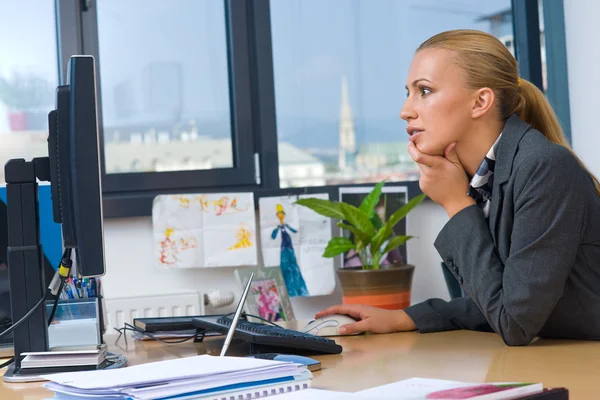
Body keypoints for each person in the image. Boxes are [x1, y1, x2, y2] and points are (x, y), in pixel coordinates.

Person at [316, 29, 600, 346]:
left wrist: (456, 203)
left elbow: (515, 321)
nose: (405, 110)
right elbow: (504, 295)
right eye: (407, 92)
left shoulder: (543, 167)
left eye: (424, 91)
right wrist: (405, 318)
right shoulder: (487, 176)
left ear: (480, 101)